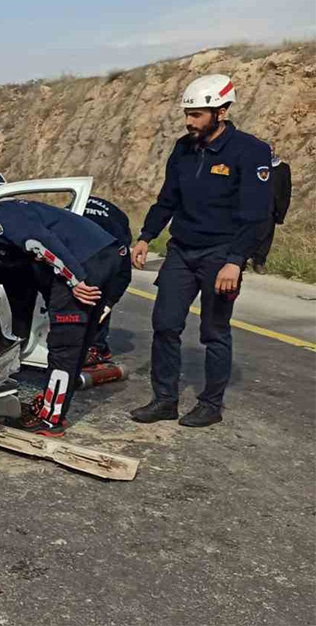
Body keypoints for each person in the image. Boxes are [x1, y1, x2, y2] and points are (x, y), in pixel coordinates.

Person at [129, 74, 272, 428]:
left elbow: (257, 217)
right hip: (182, 250)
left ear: (221, 111)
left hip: (221, 254)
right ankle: (164, 400)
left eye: (198, 114)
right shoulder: (183, 147)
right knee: (164, 325)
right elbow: (168, 199)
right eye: (188, 114)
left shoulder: (249, 151)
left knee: (214, 331)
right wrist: (146, 236)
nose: (190, 122)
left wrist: (235, 262)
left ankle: (211, 404)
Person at [0, 181, 123, 437]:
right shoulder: (7, 213)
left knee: (63, 347)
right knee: (77, 344)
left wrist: (76, 280)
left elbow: (39, 242)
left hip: (83, 263)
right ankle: (53, 409)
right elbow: (25, 256)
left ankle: (50, 420)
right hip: (106, 255)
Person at [81, 195, 133, 365]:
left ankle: (97, 347)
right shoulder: (62, 231)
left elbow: (123, 275)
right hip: (80, 228)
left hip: (113, 224)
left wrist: (108, 304)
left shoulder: (116, 242)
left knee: (99, 296)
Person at [250, 148, 292, 272]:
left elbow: (286, 191)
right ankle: (243, 257)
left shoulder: (283, 168)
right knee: (251, 232)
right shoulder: (255, 166)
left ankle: (259, 261)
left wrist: (282, 211)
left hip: (272, 207)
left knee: (267, 234)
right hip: (254, 205)